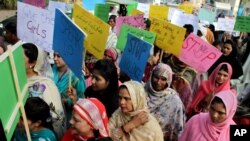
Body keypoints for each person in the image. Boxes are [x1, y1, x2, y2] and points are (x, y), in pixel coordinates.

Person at [23, 43, 66, 139]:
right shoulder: (16, 81)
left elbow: (57, 118)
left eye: (20, 58)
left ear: (32, 63)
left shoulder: (47, 85)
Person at [144, 63, 186, 140]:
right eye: (156, 77)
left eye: (163, 79)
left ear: (168, 80)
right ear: (151, 76)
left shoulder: (174, 101)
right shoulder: (141, 91)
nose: (158, 82)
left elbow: (178, 130)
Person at [52, 52, 86, 127]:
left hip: (68, 113)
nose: (55, 59)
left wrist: (68, 101)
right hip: (52, 108)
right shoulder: (52, 68)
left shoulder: (76, 76)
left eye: (59, 56)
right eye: (54, 55)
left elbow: (82, 99)